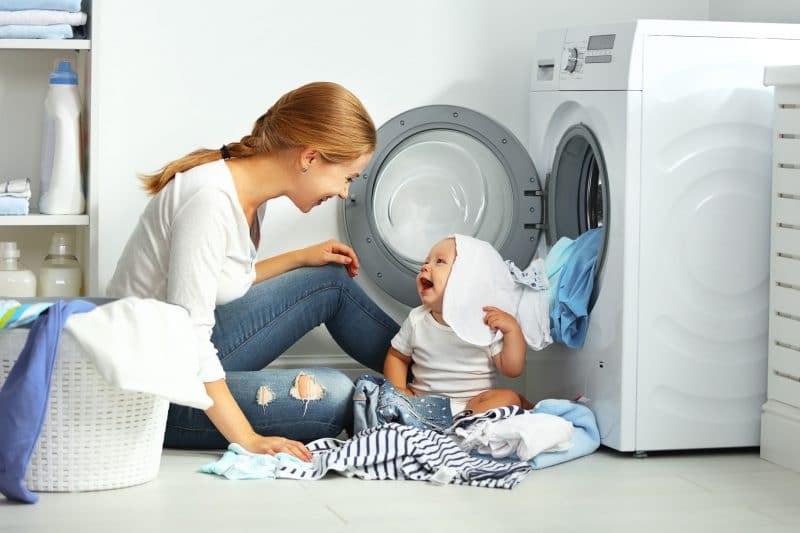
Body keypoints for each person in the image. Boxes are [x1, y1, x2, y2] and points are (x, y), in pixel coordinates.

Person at [107, 82, 399, 460]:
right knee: (333, 394)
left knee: (329, 280)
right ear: (309, 157)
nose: (345, 192)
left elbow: (217, 281)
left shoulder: (247, 195)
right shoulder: (209, 201)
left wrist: (299, 258)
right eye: (347, 177)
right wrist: (247, 439)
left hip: (179, 357)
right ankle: (406, 401)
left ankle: (436, 376)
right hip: (154, 391)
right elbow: (190, 337)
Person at [383, 237, 532, 418]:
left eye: (439, 262)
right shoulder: (417, 319)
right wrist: (399, 390)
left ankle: (463, 421)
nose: (425, 267)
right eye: (426, 261)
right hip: (424, 403)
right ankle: (442, 423)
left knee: (508, 398)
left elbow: (513, 369)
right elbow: (397, 356)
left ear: (466, 278)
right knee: (382, 397)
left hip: (475, 404)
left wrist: (512, 330)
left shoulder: (484, 321)